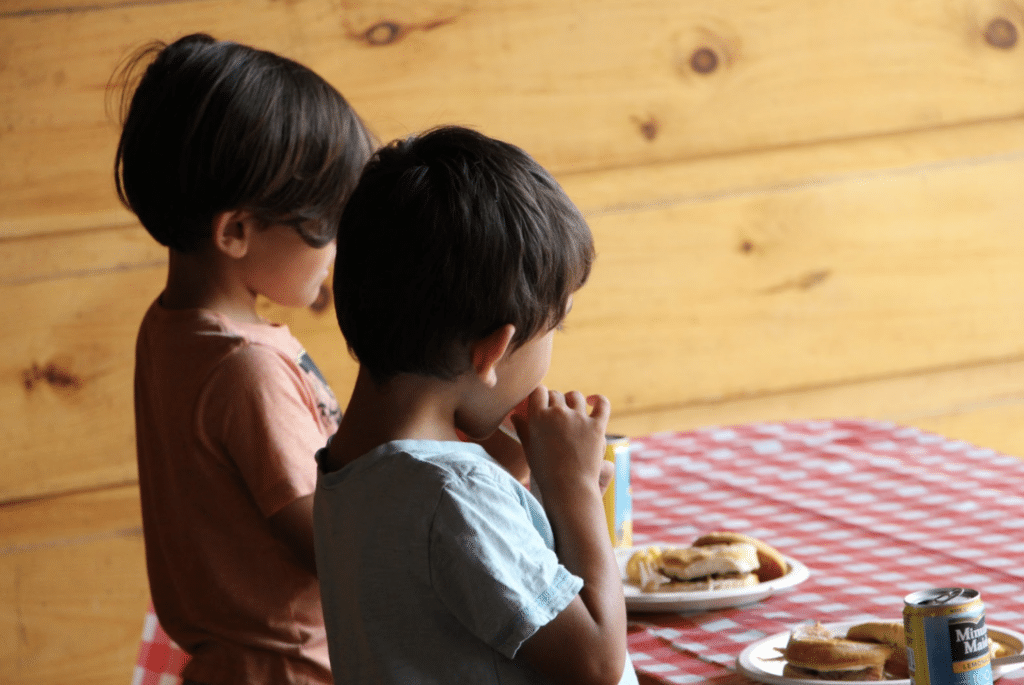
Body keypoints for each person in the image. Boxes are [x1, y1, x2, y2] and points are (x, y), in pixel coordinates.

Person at [314, 125, 639, 685]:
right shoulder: (456, 493)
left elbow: (446, 595)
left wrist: (520, 472)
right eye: (555, 325)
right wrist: (576, 492)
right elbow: (598, 666)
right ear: (492, 350)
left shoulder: (349, 468)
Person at [112, 33, 375, 685]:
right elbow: (332, 546)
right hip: (293, 669)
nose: (337, 248)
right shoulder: (246, 368)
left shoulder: (171, 327)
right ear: (235, 231)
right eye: (325, 225)